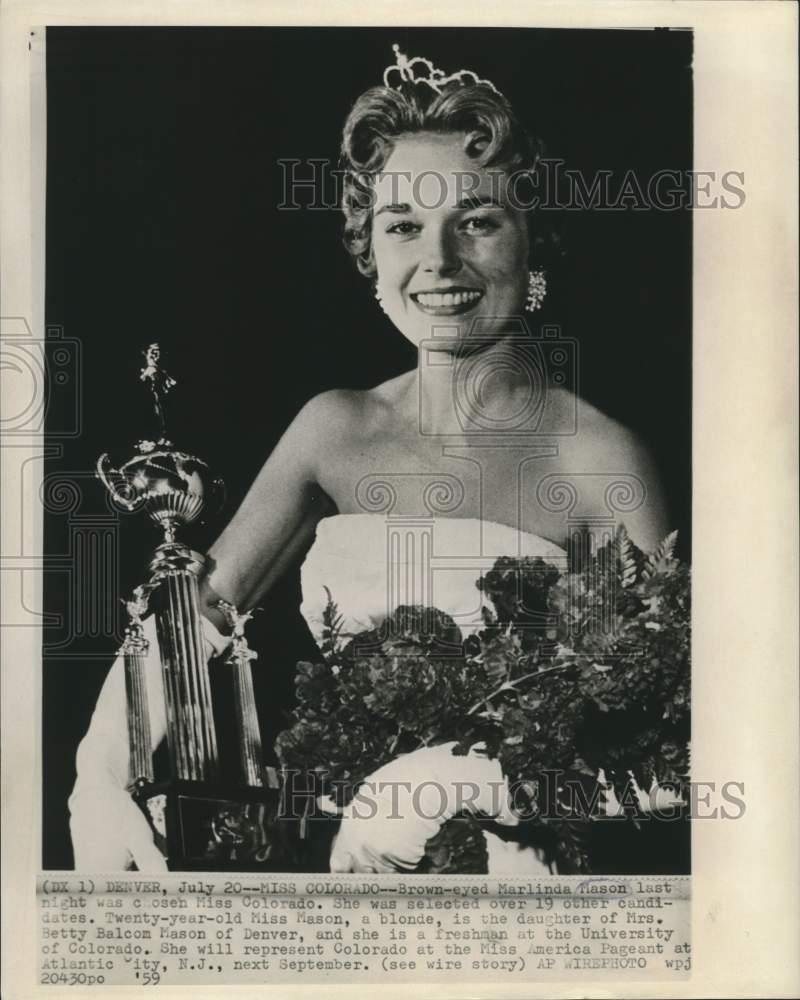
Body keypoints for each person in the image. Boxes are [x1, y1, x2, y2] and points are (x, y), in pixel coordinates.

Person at [69, 44, 670, 873]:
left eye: (478, 220)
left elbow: (676, 739)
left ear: (536, 240)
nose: (439, 261)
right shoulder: (333, 430)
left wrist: (447, 785)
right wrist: (97, 769)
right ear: (369, 252)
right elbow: (195, 612)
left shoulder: (601, 459)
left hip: (524, 892)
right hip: (345, 881)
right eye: (403, 227)